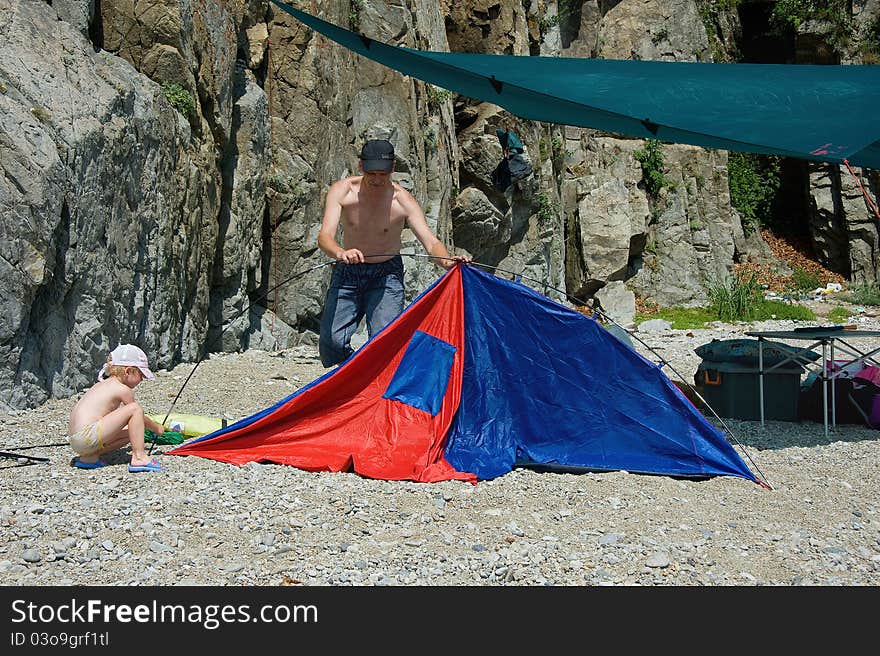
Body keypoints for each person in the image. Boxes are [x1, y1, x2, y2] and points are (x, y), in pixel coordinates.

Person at [317, 138, 467, 367]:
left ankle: (370, 385)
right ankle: (355, 372)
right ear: (361, 167)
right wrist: (340, 252)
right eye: (372, 173)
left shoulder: (403, 201)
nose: (377, 180)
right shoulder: (342, 191)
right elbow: (325, 237)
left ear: (392, 170)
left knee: (384, 341)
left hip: (386, 276)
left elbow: (430, 242)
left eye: (383, 174)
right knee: (332, 345)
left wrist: (447, 261)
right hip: (349, 270)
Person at [67, 344, 166, 472]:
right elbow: (137, 416)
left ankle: (89, 458)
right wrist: (157, 428)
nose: (142, 379)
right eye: (141, 374)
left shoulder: (101, 385)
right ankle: (139, 458)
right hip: (86, 436)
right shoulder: (122, 389)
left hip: (76, 440)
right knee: (134, 409)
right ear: (128, 371)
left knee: (130, 432)